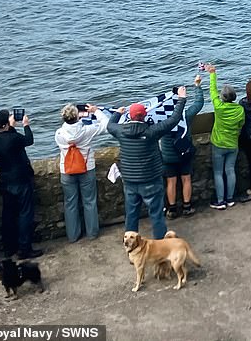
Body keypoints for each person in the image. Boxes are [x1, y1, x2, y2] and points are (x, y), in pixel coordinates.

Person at [107, 91, 185, 241]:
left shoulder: (120, 131)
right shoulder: (152, 132)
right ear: (144, 116)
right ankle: (161, 246)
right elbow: (173, 119)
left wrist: (117, 113)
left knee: (131, 214)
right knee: (156, 214)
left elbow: (110, 125)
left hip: (129, 181)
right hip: (151, 179)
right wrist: (181, 99)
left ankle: (130, 247)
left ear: (129, 117)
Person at [0, 108, 42, 259]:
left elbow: (6, 138)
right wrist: (25, 125)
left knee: (8, 215)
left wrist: (9, 127)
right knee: (25, 213)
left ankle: (9, 248)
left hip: (5, 181)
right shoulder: (13, 138)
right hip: (21, 180)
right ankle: (24, 249)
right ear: (5, 124)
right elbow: (29, 140)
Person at [54, 102, 108, 242]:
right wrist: (95, 111)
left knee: (70, 203)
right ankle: (92, 233)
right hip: (86, 168)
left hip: (67, 170)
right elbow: (106, 124)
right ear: (77, 116)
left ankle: (73, 236)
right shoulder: (87, 130)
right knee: (89, 201)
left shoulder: (59, 134)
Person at [160, 74, 205, 219]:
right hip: (184, 152)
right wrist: (197, 86)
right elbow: (199, 103)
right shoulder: (186, 115)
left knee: (170, 181)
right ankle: (187, 206)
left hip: (168, 156)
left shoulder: (162, 119)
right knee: (186, 179)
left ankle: (172, 209)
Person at [206, 64, 248, 209]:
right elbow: (241, 124)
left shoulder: (219, 107)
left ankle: (220, 200)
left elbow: (212, 91)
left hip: (219, 144)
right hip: (233, 144)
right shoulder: (240, 109)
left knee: (218, 172)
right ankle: (230, 199)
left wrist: (212, 74)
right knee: (230, 171)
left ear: (222, 97)